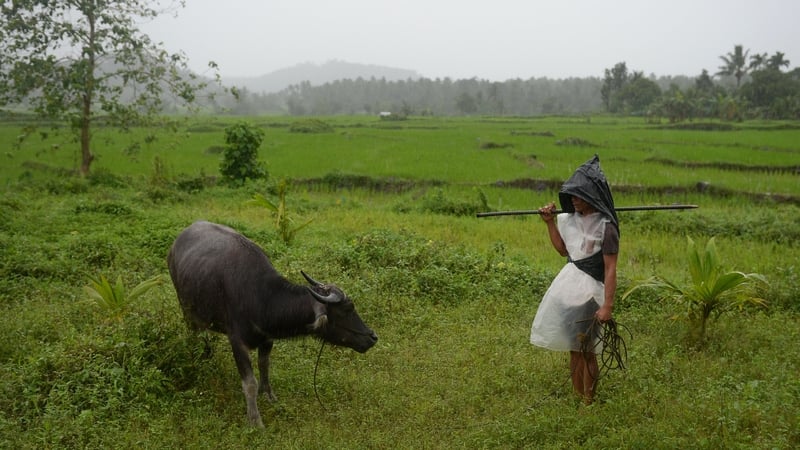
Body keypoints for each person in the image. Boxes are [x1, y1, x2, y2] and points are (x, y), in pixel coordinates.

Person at [529, 155, 619, 405]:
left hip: (590, 295)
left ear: (592, 197)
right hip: (567, 290)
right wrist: (549, 223)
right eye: (572, 196)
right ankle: (578, 396)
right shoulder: (569, 221)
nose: (574, 200)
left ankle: (588, 402)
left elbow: (611, 269)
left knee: (587, 350)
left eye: (579, 196)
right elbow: (563, 250)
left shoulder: (606, 227)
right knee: (573, 348)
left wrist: (607, 306)